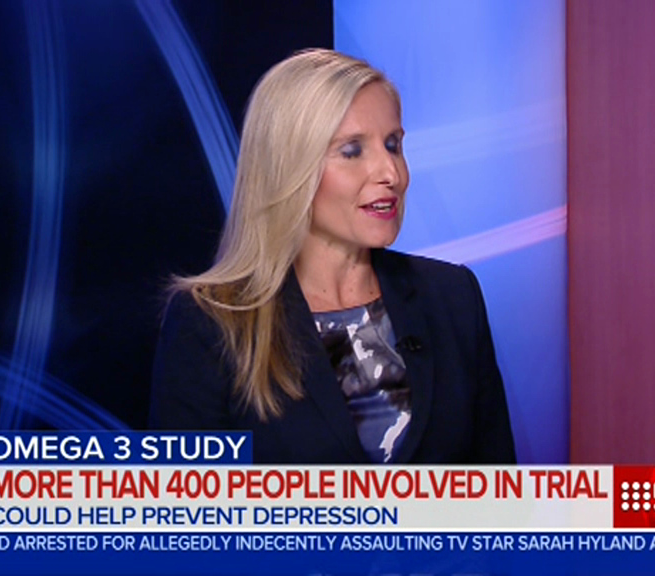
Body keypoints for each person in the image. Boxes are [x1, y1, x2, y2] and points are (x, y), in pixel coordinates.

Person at [150, 49, 516, 464]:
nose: (391, 173)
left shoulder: (453, 296)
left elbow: (499, 488)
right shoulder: (209, 323)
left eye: (393, 145)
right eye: (352, 151)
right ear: (290, 166)